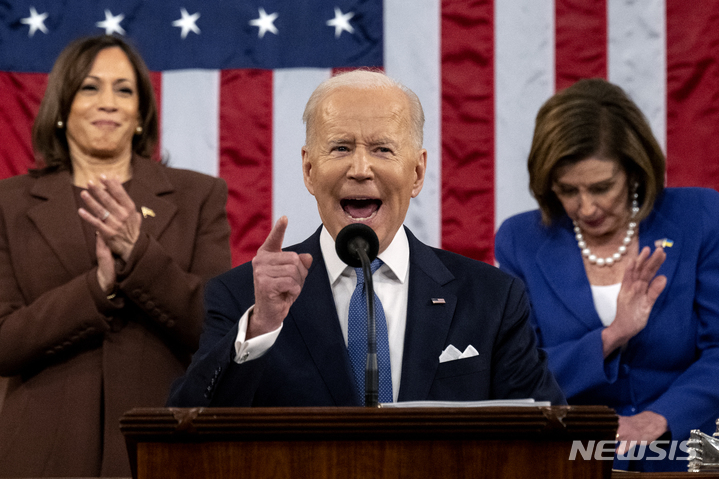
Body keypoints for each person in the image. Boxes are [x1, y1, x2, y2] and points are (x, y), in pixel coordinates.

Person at [167, 70, 564, 409]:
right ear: (308, 169)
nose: (360, 168)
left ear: (417, 172)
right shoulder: (243, 300)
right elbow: (187, 431)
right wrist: (261, 327)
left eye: (382, 149)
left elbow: (548, 439)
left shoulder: (492, 299)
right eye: (340, 148)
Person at [0, 35, 231, 477]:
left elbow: (214, 328)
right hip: (39, 454)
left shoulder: (198, 195)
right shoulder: (9, 204)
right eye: (90, 87)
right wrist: (96, 289)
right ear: (62, 108)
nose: (108, 102)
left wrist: (138, 255)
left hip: (164, 449)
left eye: (124, 90)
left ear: (140, 114)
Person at [495, 78, 719, 471]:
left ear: (634, 171)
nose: (586, 207)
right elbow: (518, 375)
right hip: (572, 459)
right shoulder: (520, 241)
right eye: (568, 191)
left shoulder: (700, 217)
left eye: (602, 187)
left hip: (690, 453)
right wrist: (613, 335)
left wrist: (659, 419)